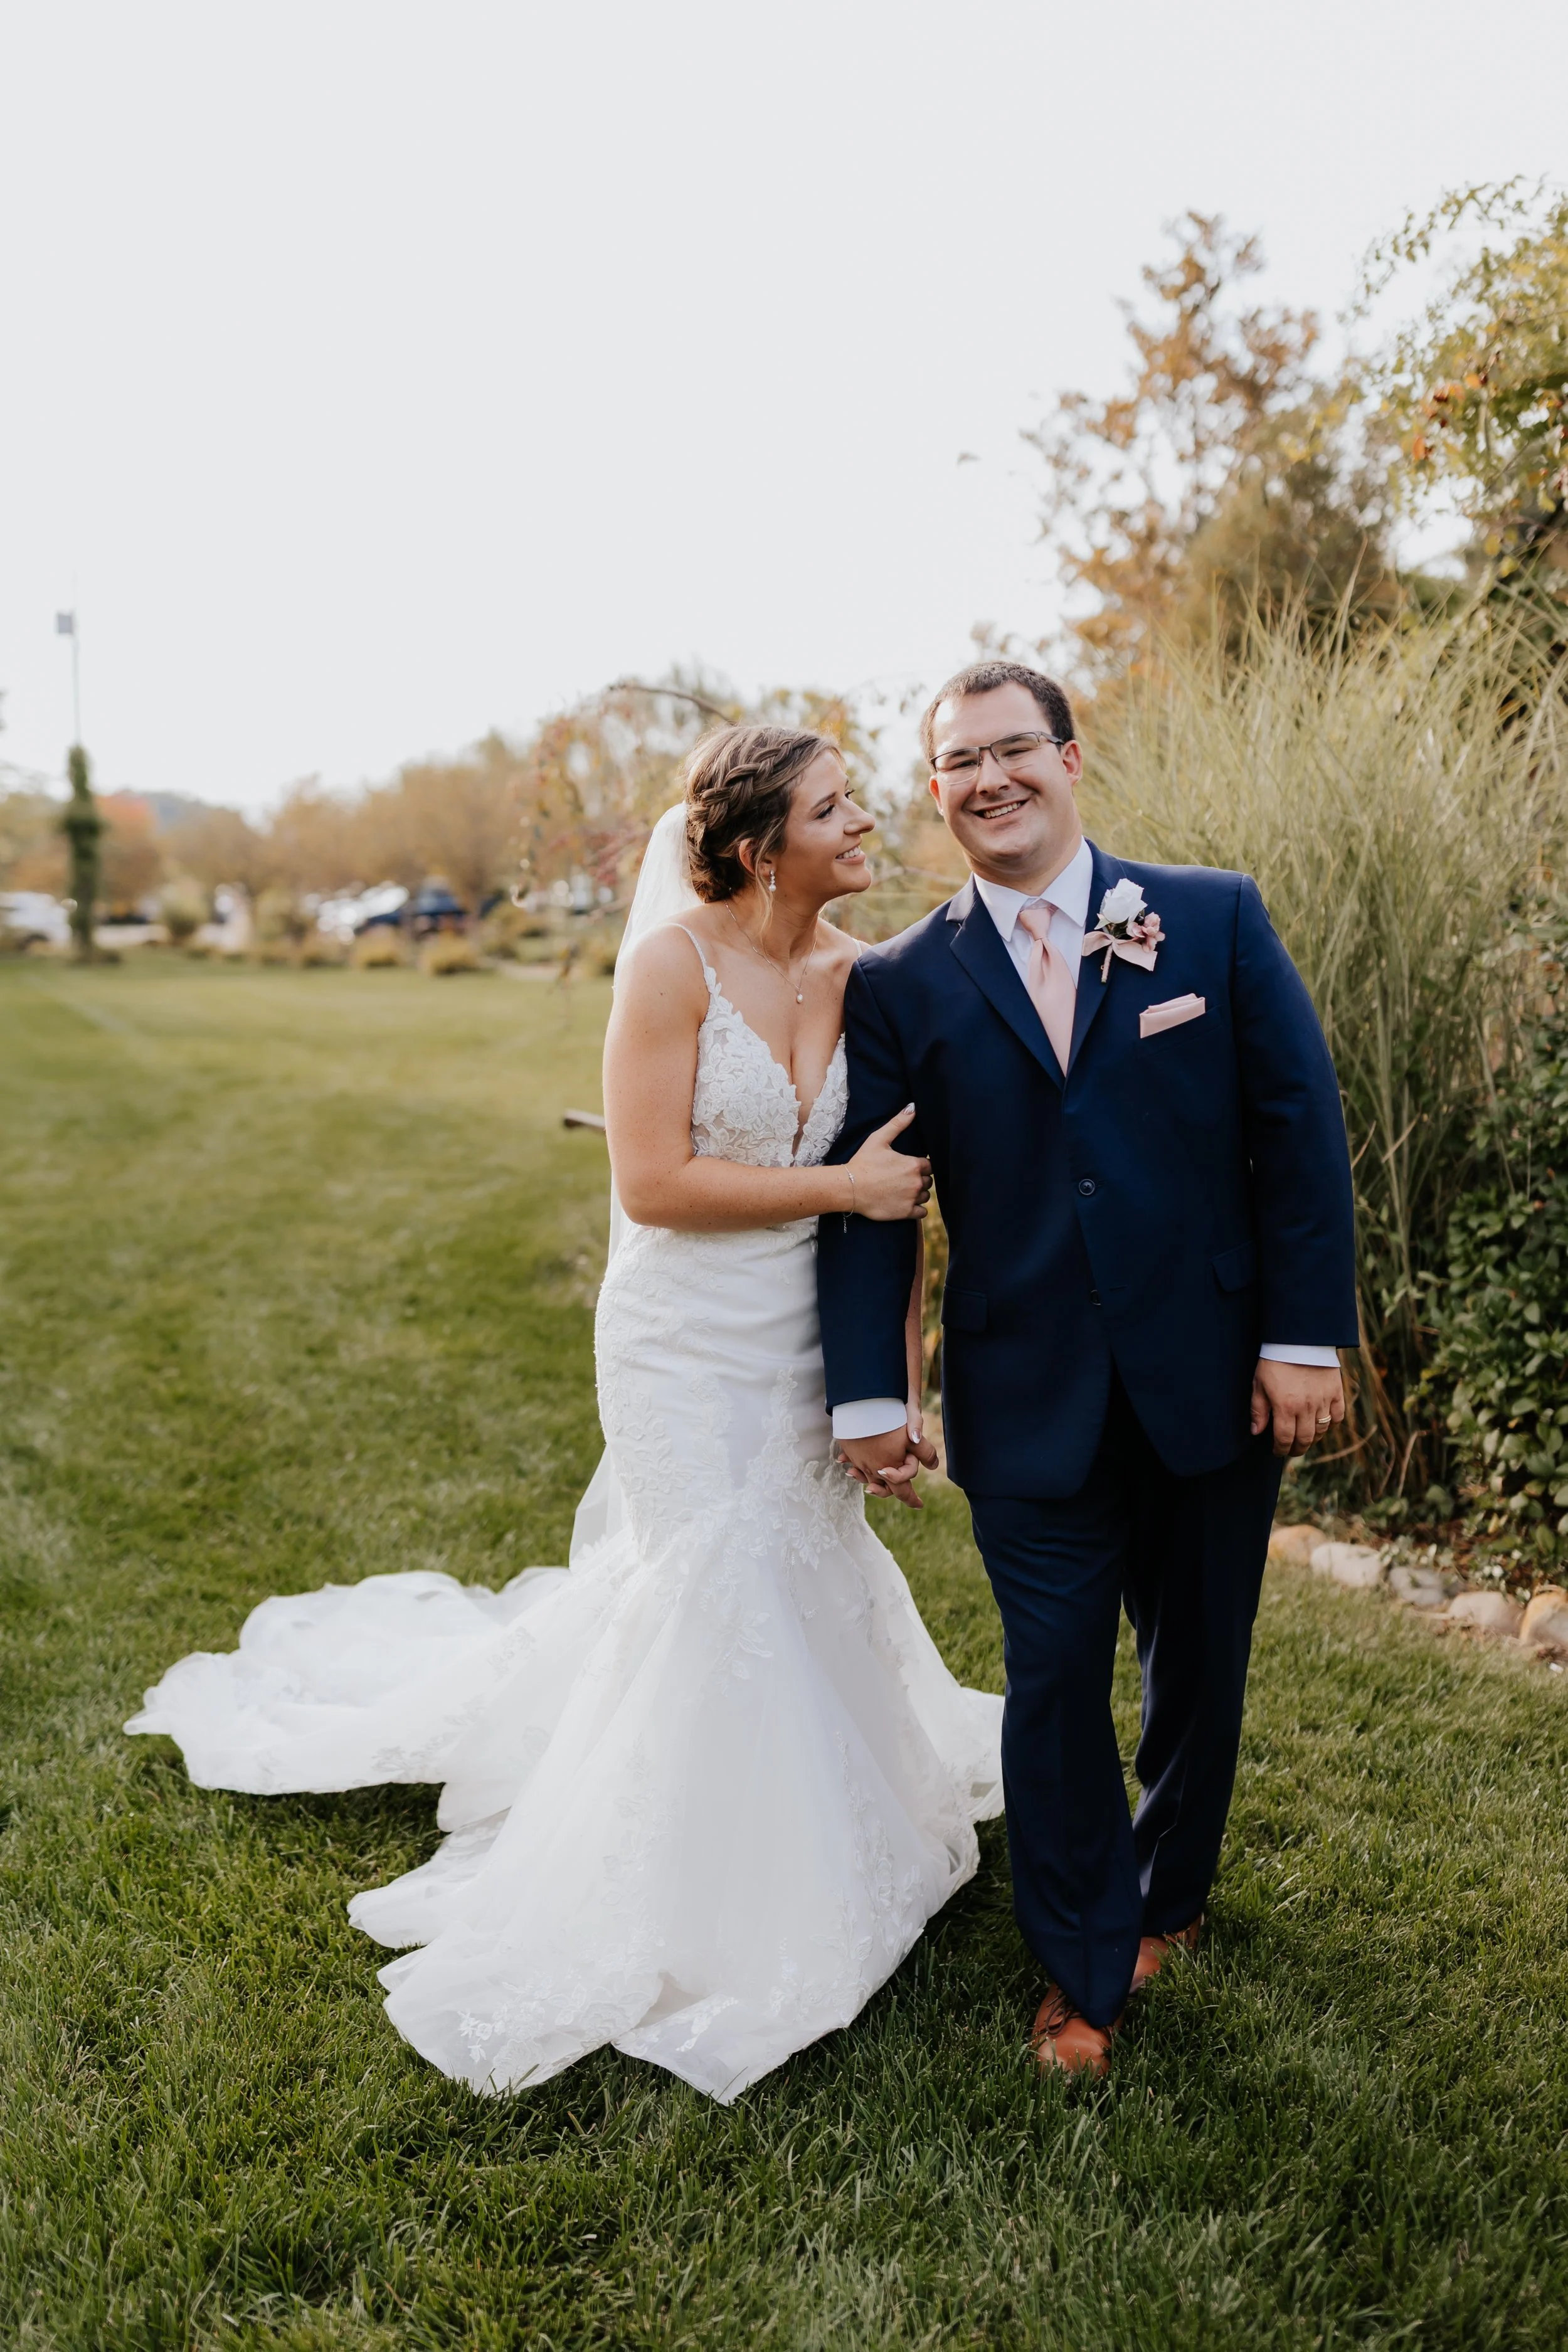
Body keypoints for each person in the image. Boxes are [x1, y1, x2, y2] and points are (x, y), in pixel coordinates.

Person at [127, 724, 1002, 2103]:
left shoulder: (862, 978)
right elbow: (654, 1182)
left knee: (790, 1570)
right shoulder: (669, 966)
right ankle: (692, 1881)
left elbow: (894, 1202)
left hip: (794, 1339)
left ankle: (821, 1826)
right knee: (714, 1582)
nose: (864, 823)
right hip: (677, 1336)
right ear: (756, 847)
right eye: (833, 809)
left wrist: (881, 1384)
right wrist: (837, 1193)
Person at [818, 660, 1357, 2079]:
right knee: (1051, 1685)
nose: (987, 780)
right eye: (957, 764)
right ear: (934, 792)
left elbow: (1297, 1135)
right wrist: (874, 1393)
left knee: (1196, 1670)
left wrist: (1301, 1340)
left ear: (1069, 758)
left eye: (1012, 751)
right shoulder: (900, 981)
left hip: (1209, 1376)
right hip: (1023, 1394)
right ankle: (1078, 1973)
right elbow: (878, 1199)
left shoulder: (1210, 918)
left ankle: (1166, 1896)